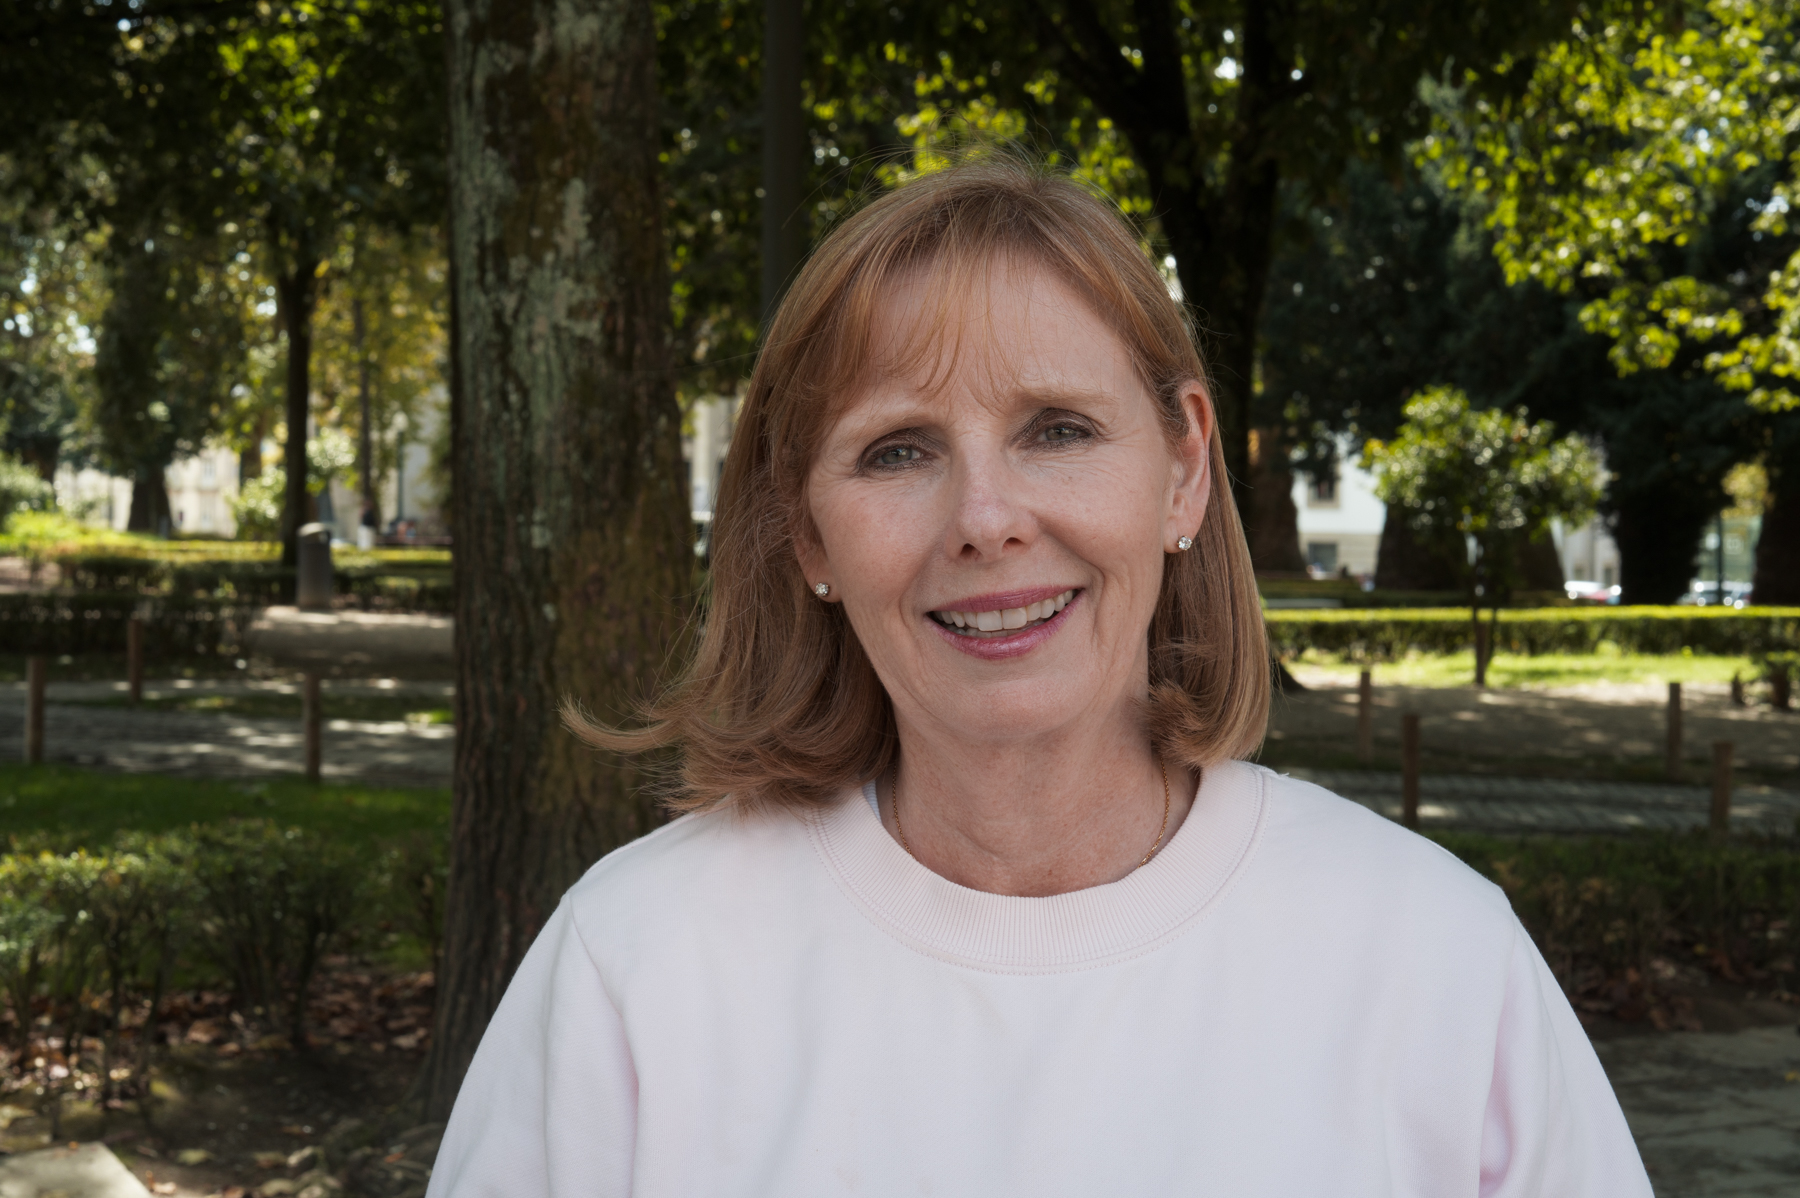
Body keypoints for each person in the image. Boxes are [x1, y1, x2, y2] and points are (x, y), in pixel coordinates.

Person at [426, 159, 1651, 1196]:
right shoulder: (636, 968)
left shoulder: (1433, 959)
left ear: (1182, 470)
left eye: (1057, 429)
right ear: (806, 533)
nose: (986, 518)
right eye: (898, 450)